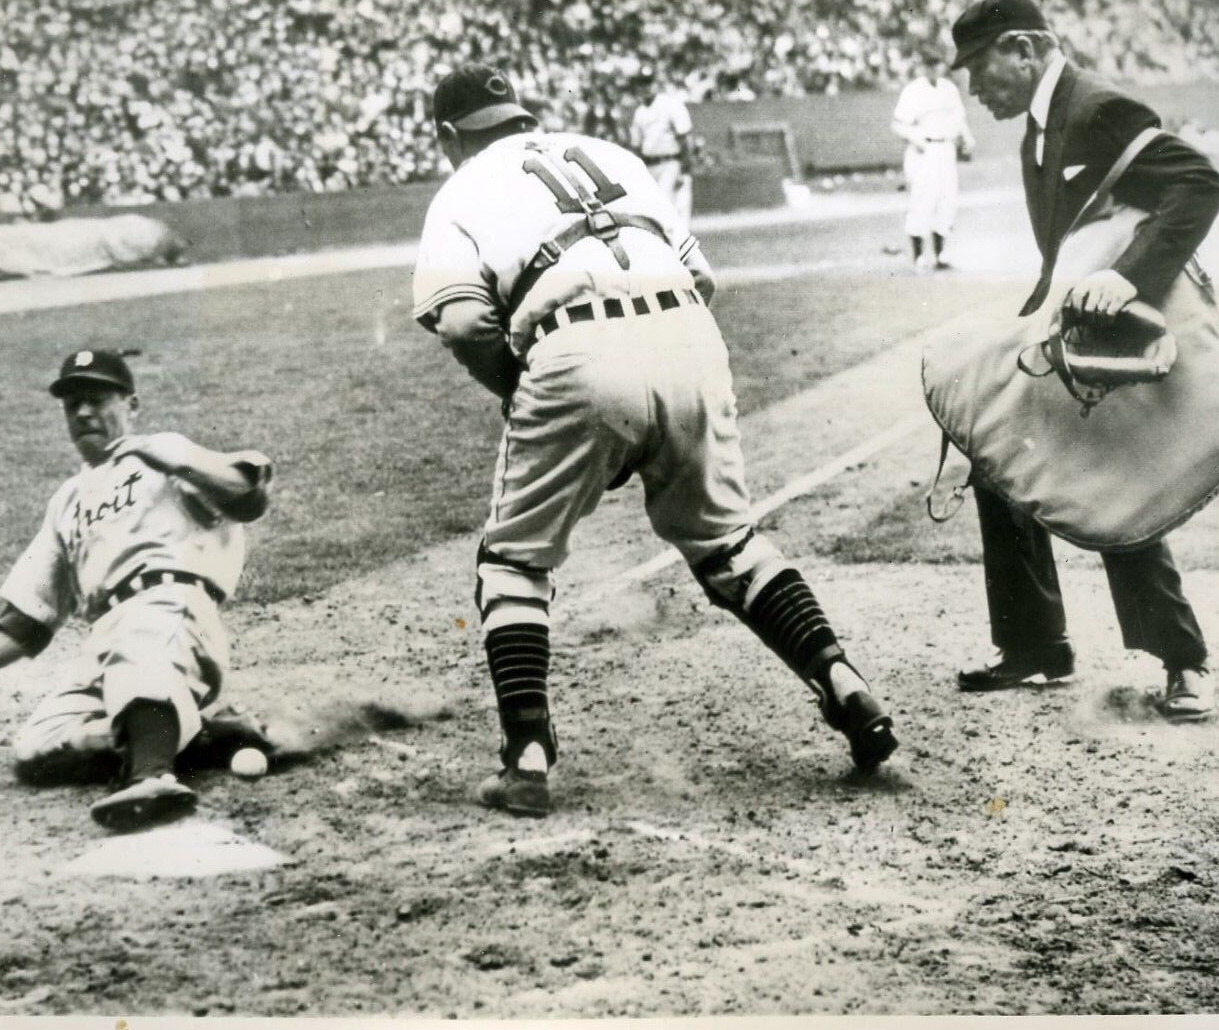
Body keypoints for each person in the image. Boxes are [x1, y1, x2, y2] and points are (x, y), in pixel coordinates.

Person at [412, 64, 899, 817]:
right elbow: (699, 274)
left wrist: (527, 390)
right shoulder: (614, 155)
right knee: (730, 544)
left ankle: (528, 757)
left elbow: (462, 321)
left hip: (572, 344)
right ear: (520, 114)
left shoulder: (458, 189)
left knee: (512, 559)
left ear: (449, 135)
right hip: (691, 337)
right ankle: (845, 684)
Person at [947, 0, 1219, 722]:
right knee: (994, 454)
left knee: (1112, 485)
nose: (976, 88)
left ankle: (1184, 660)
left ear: (1025, 48)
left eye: (980, 67)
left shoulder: (1096, 107)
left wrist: (1127, 277)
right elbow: (1065, 255)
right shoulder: (1037, 131)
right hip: (1072, 325)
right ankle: (1037, 643)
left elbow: (1198, 184)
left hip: (1124, 329)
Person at [0, 349, 279, 829]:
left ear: (132, 405)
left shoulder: (166, 454)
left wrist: (174, 460)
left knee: (142, 651)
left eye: (96, 399)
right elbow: (29, 621)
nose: (82, 413)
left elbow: (249, 497)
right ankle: (205, 735)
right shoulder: (67, 501)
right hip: (107, 639)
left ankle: (152, 776)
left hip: (170, 610)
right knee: (38, 747)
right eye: (72, 404)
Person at [887, 46, 974, 272]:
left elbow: (959, 118)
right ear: (924, 67)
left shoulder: (949, 89)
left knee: (947, 199)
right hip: (924, 151)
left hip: (946, 148)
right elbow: (898, 124)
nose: (934, 68)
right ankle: (918, 256)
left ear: (943, 66)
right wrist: (915, 138)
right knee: (922, 199)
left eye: (938, 64)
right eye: (930, 64)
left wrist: (967, 138)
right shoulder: (914, 90)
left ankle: (941, 255)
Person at [627, 68, 695, 229]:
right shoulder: (639, 112)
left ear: (655, 84)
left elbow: (684, 138)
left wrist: (685, 170)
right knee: (654, 210)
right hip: (649, 166)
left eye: (648, 83)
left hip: (670, 163)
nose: (645, 88)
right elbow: (636, 147)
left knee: (668, 207)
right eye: (642, 84)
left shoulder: (670, 104)